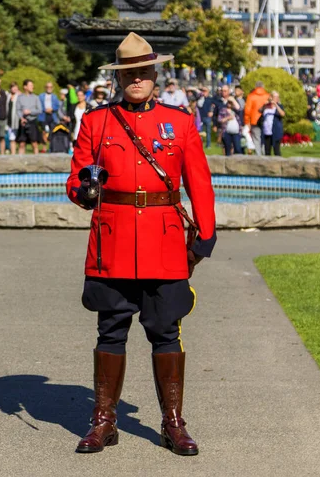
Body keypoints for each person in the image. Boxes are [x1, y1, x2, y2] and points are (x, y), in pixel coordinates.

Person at [67, 32, 216, 456]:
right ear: (119, 77)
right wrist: (85, 190)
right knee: (110, 330)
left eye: (143, 71)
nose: (137, 78)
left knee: (165, 331)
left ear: (155, 74)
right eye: (128, 72)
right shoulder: (96, 122)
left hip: (165, 242)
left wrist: (206, 233)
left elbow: (199, 182)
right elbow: (76, 179)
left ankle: (173, 423)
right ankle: (103, 422)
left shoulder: (181, 122)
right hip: (111, 242)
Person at [244, 81, 270, 155]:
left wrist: (247, 122)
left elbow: (247, 110)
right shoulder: (267, 95)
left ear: (255, 87)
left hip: (254, 120)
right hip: (266, 120)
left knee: (256, 139)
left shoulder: (251, 96)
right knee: (264, 138)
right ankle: (265, 154)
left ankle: (258, 156)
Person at [16, 79, 42, 155]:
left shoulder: (36, 97)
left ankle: (37, 161)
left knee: (34, 143)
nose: (32, 87)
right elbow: (18, 109)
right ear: (25, 87)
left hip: (32, 122)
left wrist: (30, 112)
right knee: (22, 143)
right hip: (23, 122)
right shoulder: (20, 98)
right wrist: (21, 118)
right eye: (30, 85)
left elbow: (39, 110)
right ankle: (19, 162)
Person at [260, 91, 285, 156]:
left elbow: (282, 114)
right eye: (275, 97)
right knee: (267, 151)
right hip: (267, 132)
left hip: (276, 131)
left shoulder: (279, 106)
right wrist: (265, 105)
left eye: (278, 97)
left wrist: (276, 105)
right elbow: (260, 111)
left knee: (276, 151)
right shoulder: (266, 106)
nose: (277, 98)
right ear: (271, 97)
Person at [39, 82, 60, 152]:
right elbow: (39, 105)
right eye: (48, 87)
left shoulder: (55, 96)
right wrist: (45, 109)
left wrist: (52, 109)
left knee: (52, 131)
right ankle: (44, 147)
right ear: (45, 88)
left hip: (52, 115)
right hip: (43, 115)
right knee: (44, 131)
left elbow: (57, 106)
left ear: (52, 88)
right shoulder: (41, 96)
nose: (49, 88)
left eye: (50, 87)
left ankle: (51, 147)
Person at [6, 82, 20, 155]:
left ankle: (17, 153)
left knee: (16, 137)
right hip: (9, 120)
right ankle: (13, 153)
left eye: (16, 87)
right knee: (11, 138)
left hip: (17, 120)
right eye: (13, 87)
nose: (14, 88)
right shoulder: (8, 96)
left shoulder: (19, 96)